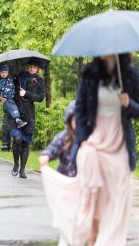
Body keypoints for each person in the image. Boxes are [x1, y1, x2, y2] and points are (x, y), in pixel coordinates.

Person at [41, 53, 139, 246]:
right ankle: (91, 239)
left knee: (116, 200)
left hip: (119, 146)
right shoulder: (90, 73)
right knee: (93, 198)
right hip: (95, 143)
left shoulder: (131, 74)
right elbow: (80, 107)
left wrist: (129, 103)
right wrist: (83, 139)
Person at [10, 58, 45, 178]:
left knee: (25, 142)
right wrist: (3, 97)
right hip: (16, 111)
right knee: (17, 139)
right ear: (27, 67)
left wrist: (26, 94)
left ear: (38, 69)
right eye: (30, 66)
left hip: (29, 113)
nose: (31, 69)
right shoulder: (18, 77)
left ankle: (22, 169)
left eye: (34, 67)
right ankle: (15, 163)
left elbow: (40, 97)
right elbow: (10, 91)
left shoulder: (40, 81)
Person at [39, 101, 77, 177]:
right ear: (69, 121)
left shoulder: (90, 138)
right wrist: (46, 155)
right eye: (75, 119)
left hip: (81, 181)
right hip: (64, 177)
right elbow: (53, 147)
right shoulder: (64, 137)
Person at [0, 64, 27, 128]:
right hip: (6, 98)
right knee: (13, 108)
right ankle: (17, 120)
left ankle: (17, 120)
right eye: (2, 72)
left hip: (12, 97)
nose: (4, 74)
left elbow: (17, 78)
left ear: (8, 72)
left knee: (13, 108)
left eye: (6, 72)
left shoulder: (10, 78)